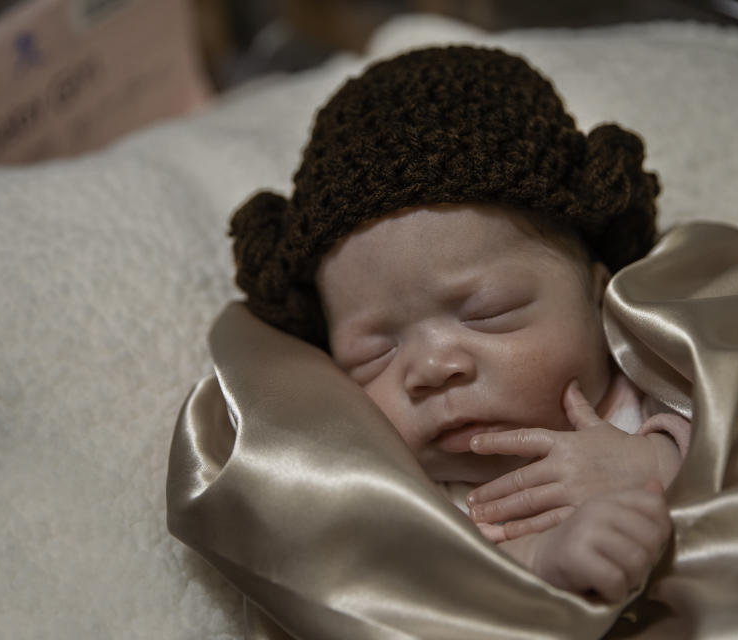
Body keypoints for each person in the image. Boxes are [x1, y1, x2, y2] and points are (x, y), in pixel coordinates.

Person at [228, 45, 691, 603]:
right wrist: (533, 561)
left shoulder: (659, 379)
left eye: (488, 314)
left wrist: (656, 462)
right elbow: (381, 590)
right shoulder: (401, 492)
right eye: (372, 353)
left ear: (597, 296)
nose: (432, 368)